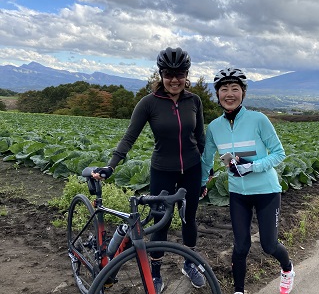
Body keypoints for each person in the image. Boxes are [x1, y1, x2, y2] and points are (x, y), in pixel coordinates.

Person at [92, 47, 206, 293]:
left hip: (192, 169)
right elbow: (129, 137)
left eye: (180, 73)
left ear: (187, 74)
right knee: (159, 224)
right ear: (160, 74)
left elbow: (201, 139)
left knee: (189, 219)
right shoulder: (149, 103)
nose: (174, 79)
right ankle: (155, 273)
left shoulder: (194, 101)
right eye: (168, 73)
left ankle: (189, 263)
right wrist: (111, 165)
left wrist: (204, 176)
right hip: (162, 170)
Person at [201, 67, 295, 294]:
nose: (229, 94)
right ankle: (239, 291)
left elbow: (278, 153)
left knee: (268, 245)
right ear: (218, 94)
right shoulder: (214, 127)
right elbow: (206, 159)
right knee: (240, 246)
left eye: (235, 88)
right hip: (237, 194)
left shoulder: (258, 120)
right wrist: (202, 182)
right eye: (224, 89)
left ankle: (287, 268)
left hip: (266, 191)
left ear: (243, 93)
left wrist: (252, 166)